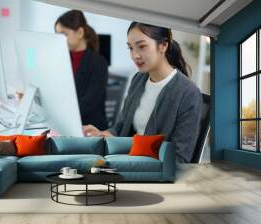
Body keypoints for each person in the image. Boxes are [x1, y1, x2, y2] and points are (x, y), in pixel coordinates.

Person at [83, 22, 202, 163]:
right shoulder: (139, 79)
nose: (135, 55)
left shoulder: (188, 93)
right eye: (131, 48)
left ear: (163, 45)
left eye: (142, 47)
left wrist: (130, 154)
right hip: (127, 160)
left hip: (152, 173)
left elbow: (179, 159)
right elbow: (121, 127)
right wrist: (104, 134)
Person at [55, 10, 109, 130]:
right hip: (67, 123)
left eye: (63, 34)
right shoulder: (62, 59)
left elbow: (89, 104)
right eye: (57, 35)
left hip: (90, 128)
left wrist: (57, 112)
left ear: (79, 33)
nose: (59, 39)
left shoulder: (98, 62)